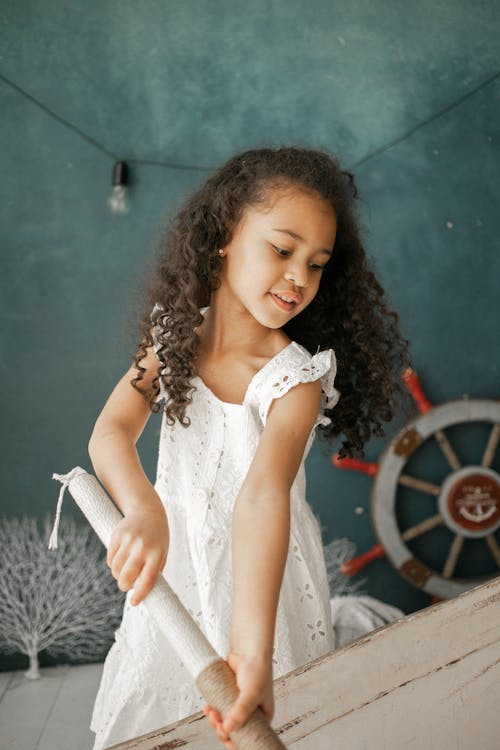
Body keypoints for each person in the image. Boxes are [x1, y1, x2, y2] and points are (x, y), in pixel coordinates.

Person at [87, 145, 411, 749]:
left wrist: (253, 649)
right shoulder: (174, 335)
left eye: (317, 264)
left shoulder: (296, 380)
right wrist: (142, 507)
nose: (299, 277)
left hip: (262, 575)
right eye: (282, 250)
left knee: (257, 724)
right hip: (176, 555)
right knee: (161, 712)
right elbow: (110, 431)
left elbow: (261, 498)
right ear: (224, 237)